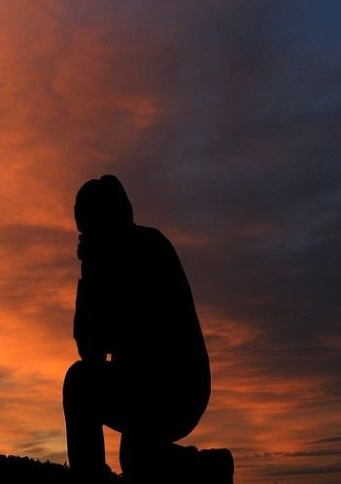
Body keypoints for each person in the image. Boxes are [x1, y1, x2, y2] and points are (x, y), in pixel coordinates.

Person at [63, 175, 233, 483]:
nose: (86, 237)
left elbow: (135, 338)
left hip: (177, 386)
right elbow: (92, 352)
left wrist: (96, 279)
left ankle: (89, 481)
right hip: (144, 386)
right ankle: (212, 468)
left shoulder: (149, 248)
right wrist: (90, 281)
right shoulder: (105, 264)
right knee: (138, 457)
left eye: (90, 226)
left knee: (79, 384)